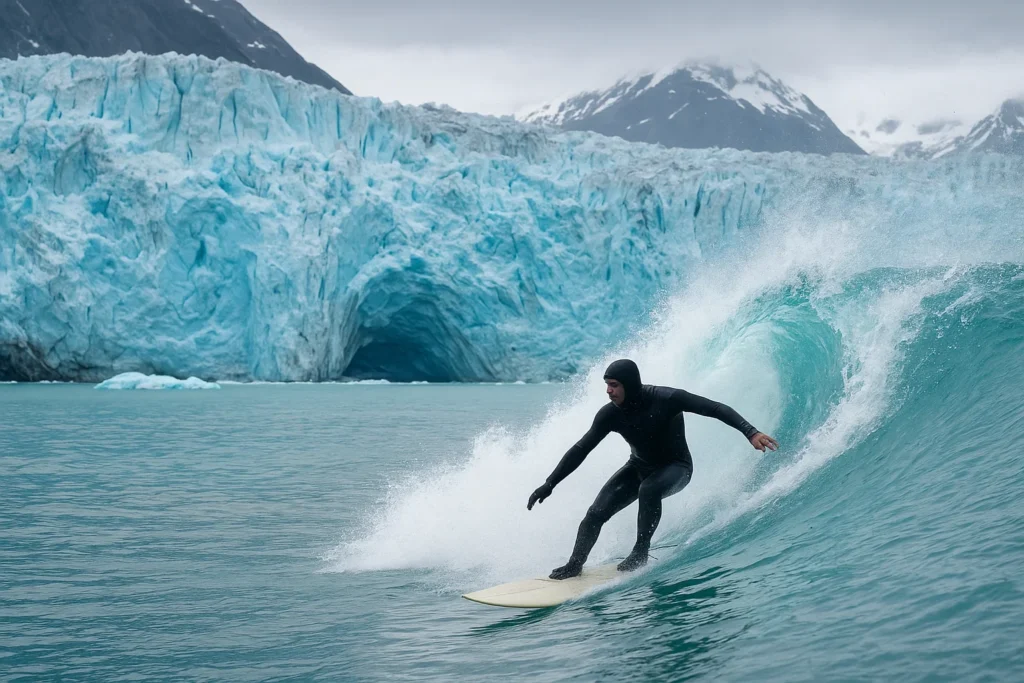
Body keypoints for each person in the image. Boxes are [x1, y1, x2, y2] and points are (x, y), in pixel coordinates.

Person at [527, 359, 779, 579]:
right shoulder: (610, 414)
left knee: (649, 489)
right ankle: (575, 565)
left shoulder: (667, 399)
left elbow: (714, 408)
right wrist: (550, 483)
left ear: (629, 384)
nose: (608, 391)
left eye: (614, 385)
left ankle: (640, 552)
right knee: (595, 513)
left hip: (677, 468)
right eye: (607, 384)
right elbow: (581, 449)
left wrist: (751, 432)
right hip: (638, 467)